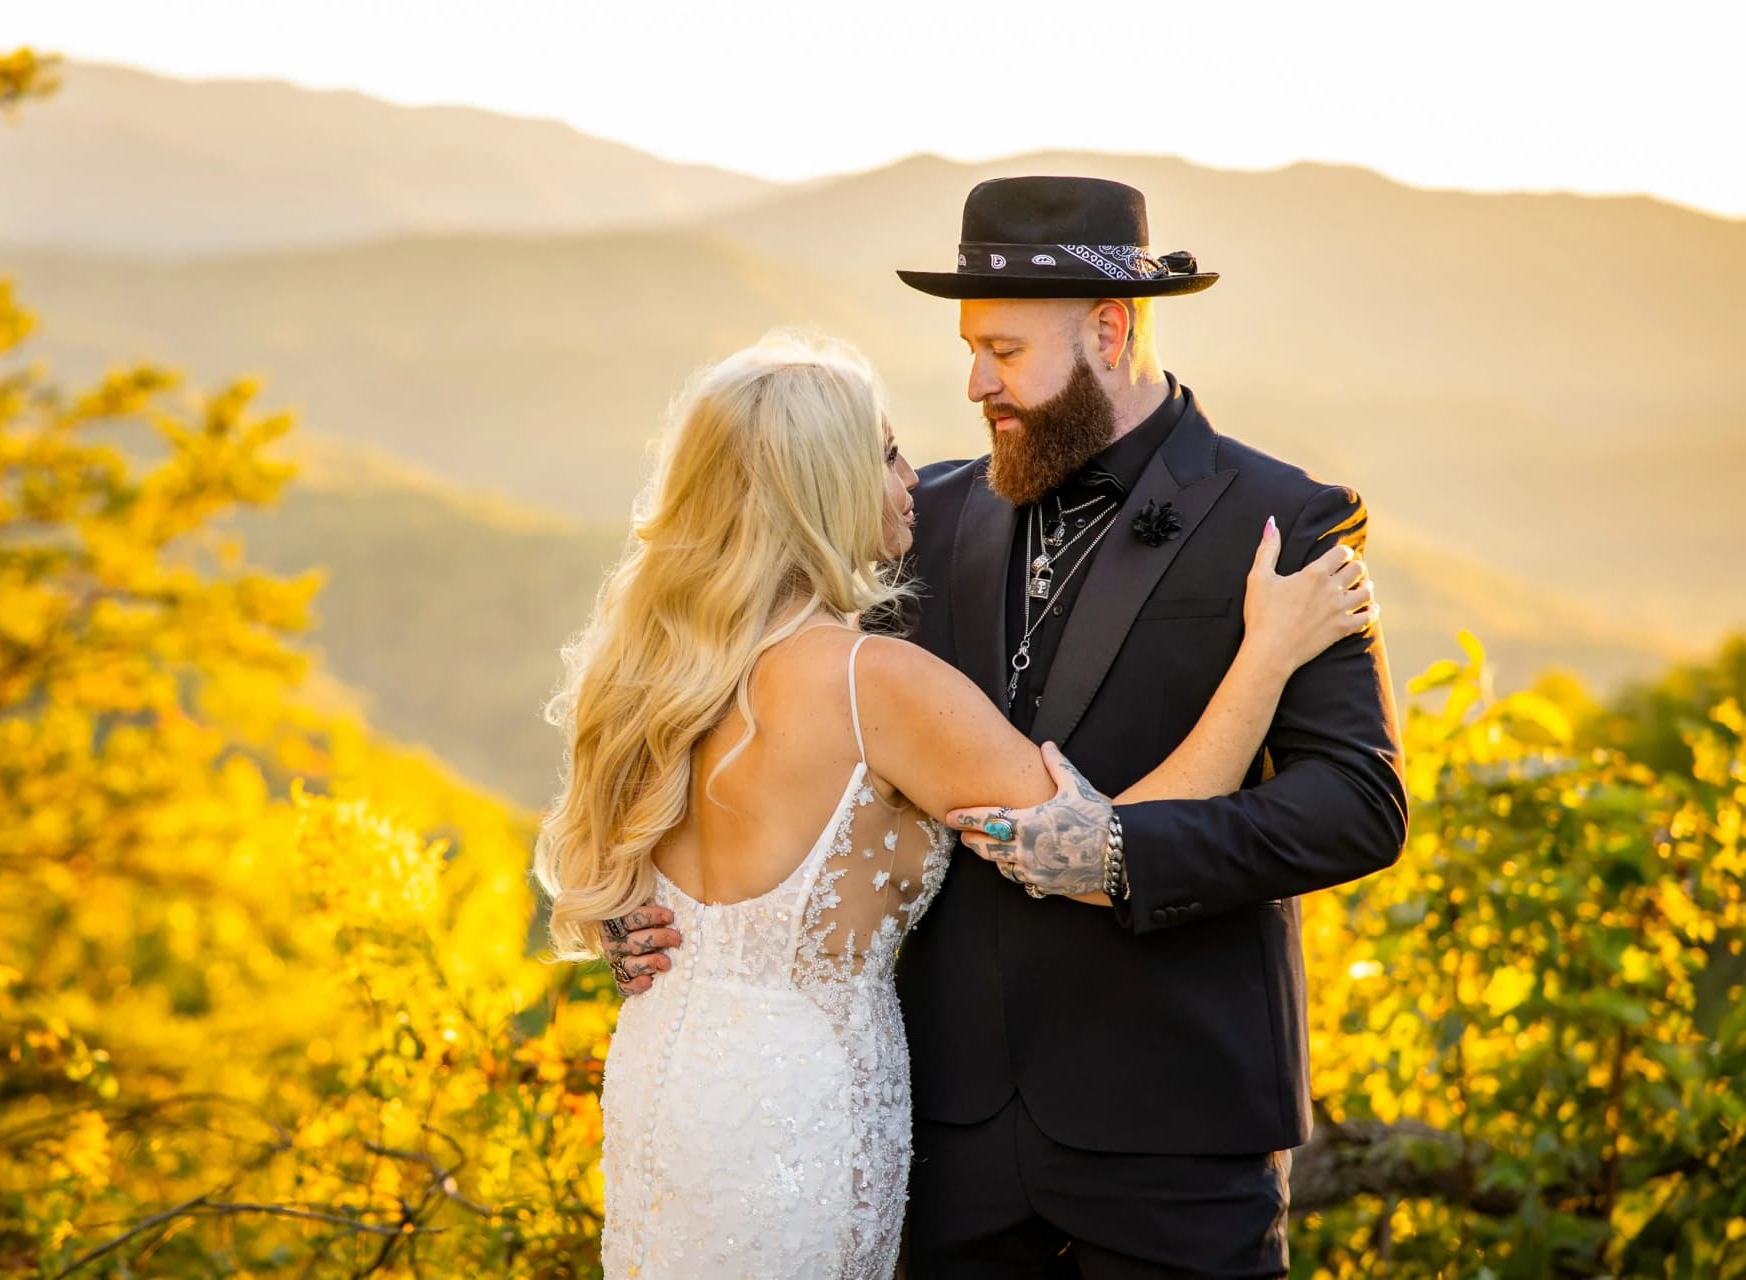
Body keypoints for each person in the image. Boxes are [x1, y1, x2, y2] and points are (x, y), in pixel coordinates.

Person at [535, 327, 1378, 1279]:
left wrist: (625, 924)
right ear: (824, 487)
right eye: (886, 451)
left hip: (676, 1089)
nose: (919, 473)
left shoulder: (649, 675)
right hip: (817, 1110)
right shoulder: (878, 682)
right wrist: (1263, 656)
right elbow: (1093, 841)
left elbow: (616, 874)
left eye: (1001, 347)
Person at [884, 175, 1411, 1277]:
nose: (976, 382)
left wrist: (1127, 855)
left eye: (1006, 351)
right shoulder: (923, 512)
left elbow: (1358, 804)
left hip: (1179, 1134)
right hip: (947, 1138)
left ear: (1112, 330)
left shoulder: (1284, 521)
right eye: (972, 347)